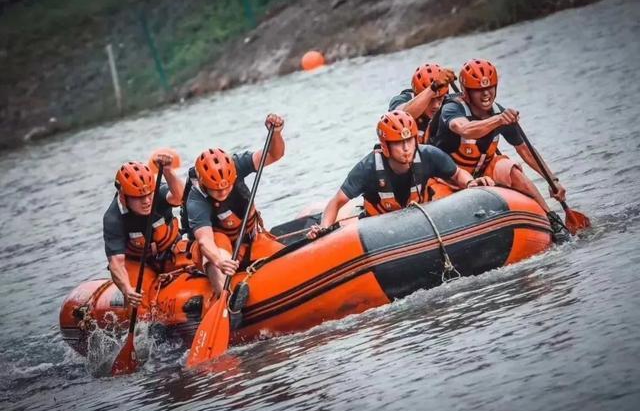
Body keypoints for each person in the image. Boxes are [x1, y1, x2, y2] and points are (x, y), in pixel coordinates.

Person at [432, 58, 569, 242]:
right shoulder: (452, 108)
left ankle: (551, 219)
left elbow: (525, 150)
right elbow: (465, 129)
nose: (486, 94)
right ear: (466, 92)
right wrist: (498, 121)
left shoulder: (500, 112)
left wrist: (553, 181)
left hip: (481, 172)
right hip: (448, 177)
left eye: (490, 88)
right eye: (479, 90)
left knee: (509, 167)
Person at [307, 110, 493, 238]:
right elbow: (336, 202)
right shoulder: (368, 167)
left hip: (421, 220)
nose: (406, 148)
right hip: (379, 230)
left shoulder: (428, 154)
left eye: (409, 141)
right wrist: (324, 229)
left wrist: (471, 184)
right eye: (398, 143)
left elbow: (458, 175)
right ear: (386, 146)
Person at [185, 114, 286, 299]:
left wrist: (276, 134)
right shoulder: (196, 200)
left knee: (284, 259)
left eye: (227, 186)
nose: (223, 192)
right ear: (204, 185)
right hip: (218, 245)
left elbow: (274, 155)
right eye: (216, 190)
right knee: (216, 255)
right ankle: (226, 298)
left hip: (249, 239)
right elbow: (205, 241)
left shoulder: (237, 164)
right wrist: (219, 261)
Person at [103, 153, 184, 307]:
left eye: (149, 194)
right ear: (123, 196)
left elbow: (179, 197)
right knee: (139, 302)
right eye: (138, 197)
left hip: (170, 253)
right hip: (139, 264)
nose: (146, 201)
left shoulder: (158, 192)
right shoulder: (113, 218)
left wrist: (167, 171)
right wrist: (127, 290)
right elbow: (116, 263)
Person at [388, 63, 457, 144]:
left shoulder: (451, 102)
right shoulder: (402, 99)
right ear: (416, 95)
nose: (436, 106)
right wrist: (433, 88)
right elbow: (400, 116)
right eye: (430, 100)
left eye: (439, 98)